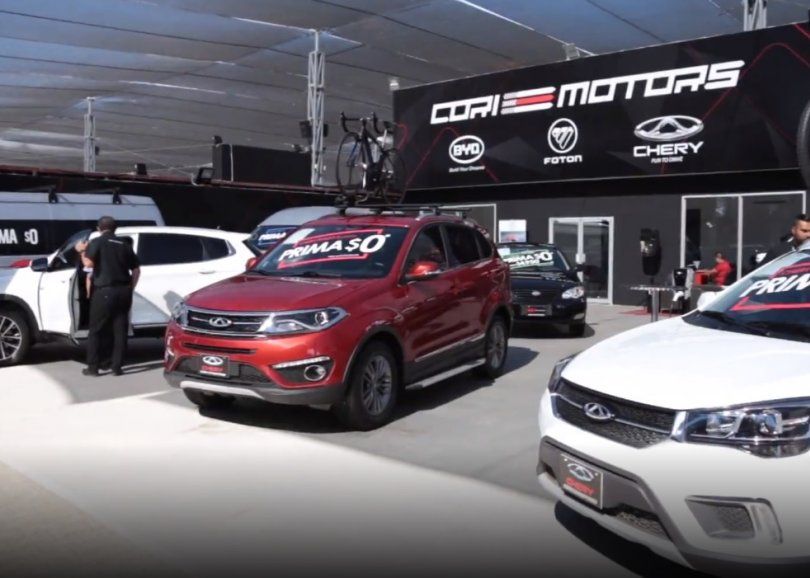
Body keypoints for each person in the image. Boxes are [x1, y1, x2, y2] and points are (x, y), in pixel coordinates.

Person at [82, 216, 140, 377]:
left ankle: (93, 368)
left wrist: (81, 251)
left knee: (96, 330)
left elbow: (88, 264)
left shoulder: (97, 242)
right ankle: (117, 367)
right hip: (124, 291)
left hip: (105, 291)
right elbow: (136, 270)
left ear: (99, 228)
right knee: (120, 330)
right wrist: (130, 287)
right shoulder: (124, 244)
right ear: (115, 229)